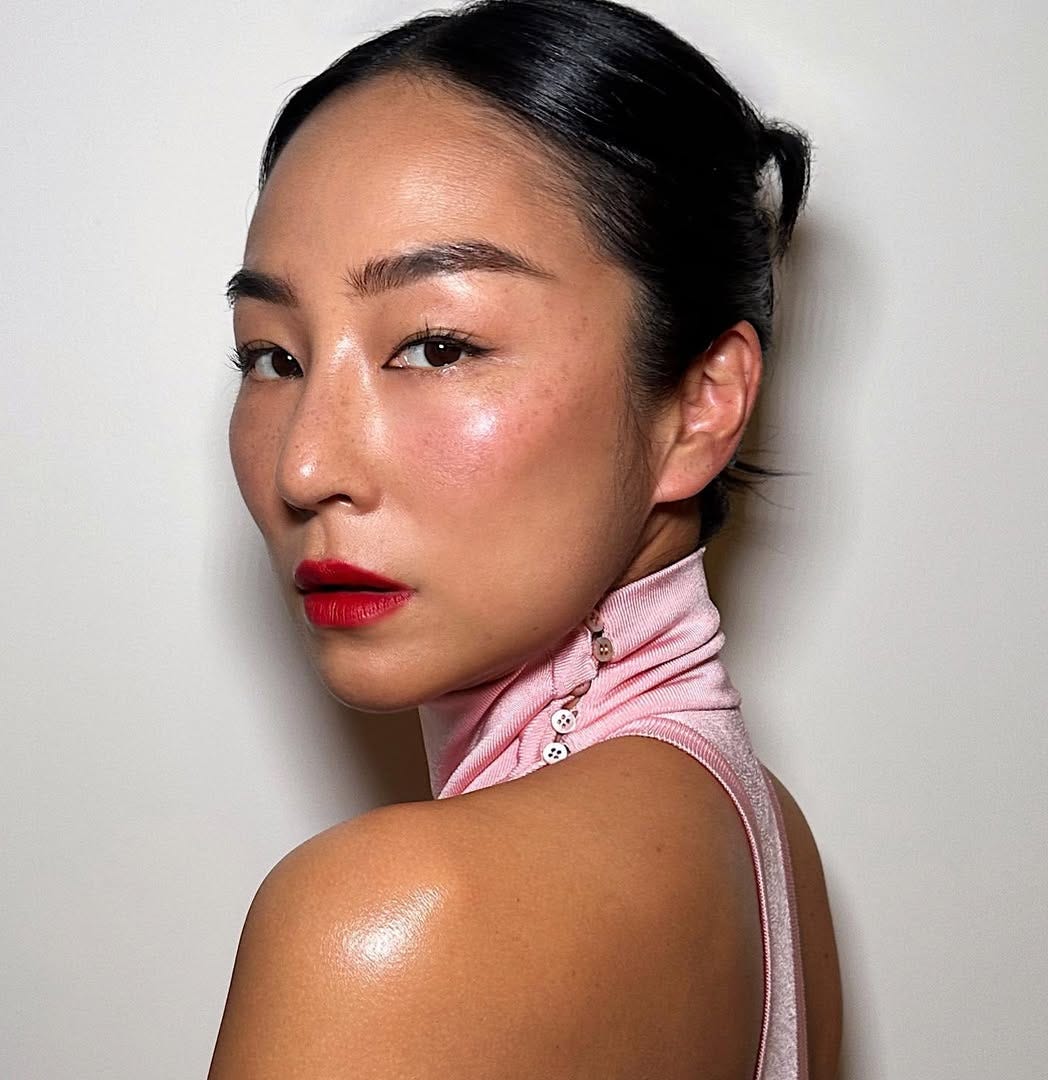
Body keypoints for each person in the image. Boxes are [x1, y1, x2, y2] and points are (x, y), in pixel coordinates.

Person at [209, 0, 841, 1076]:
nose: (304, 466)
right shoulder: (756, 836)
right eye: (272, 356)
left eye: (438, 345)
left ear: (699, 402)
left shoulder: (391, 924)